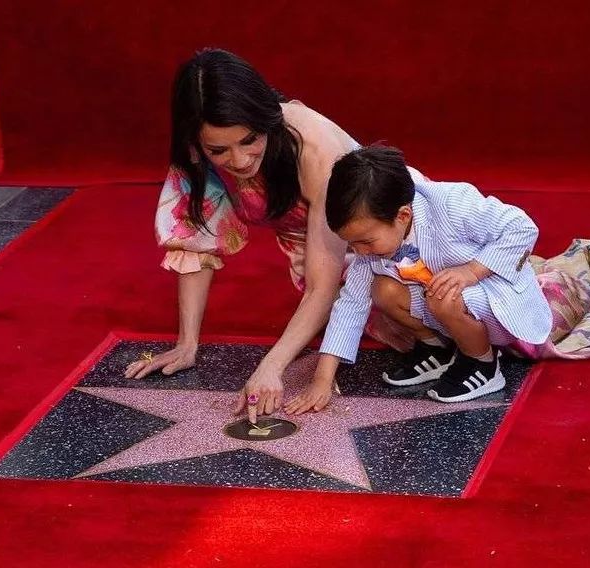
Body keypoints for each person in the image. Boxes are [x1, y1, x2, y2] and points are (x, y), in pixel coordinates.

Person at [123, 49, 411, 422]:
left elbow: (322, 286)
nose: (240, 161)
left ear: (266, 119)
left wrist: (271, 366)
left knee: (421, 318)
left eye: (250, 140)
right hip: (316, 262)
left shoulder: (313, 148)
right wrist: (187, 343)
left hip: (386, 248)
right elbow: (195, 239)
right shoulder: (195, 152)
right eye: (219, 150)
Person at [284, 145, 553, 413]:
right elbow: (351, 304)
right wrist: (322, 380)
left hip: (494, 296)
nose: (359, 252)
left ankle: (482, 363)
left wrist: (472, 271)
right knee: (383, 290)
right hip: (445, 302)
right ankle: (437, 349)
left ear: (403, 215)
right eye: (351, 244)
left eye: (365, 242)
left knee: (443, 296)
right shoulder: (373, 241)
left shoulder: (451, 203)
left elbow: (521, 227)